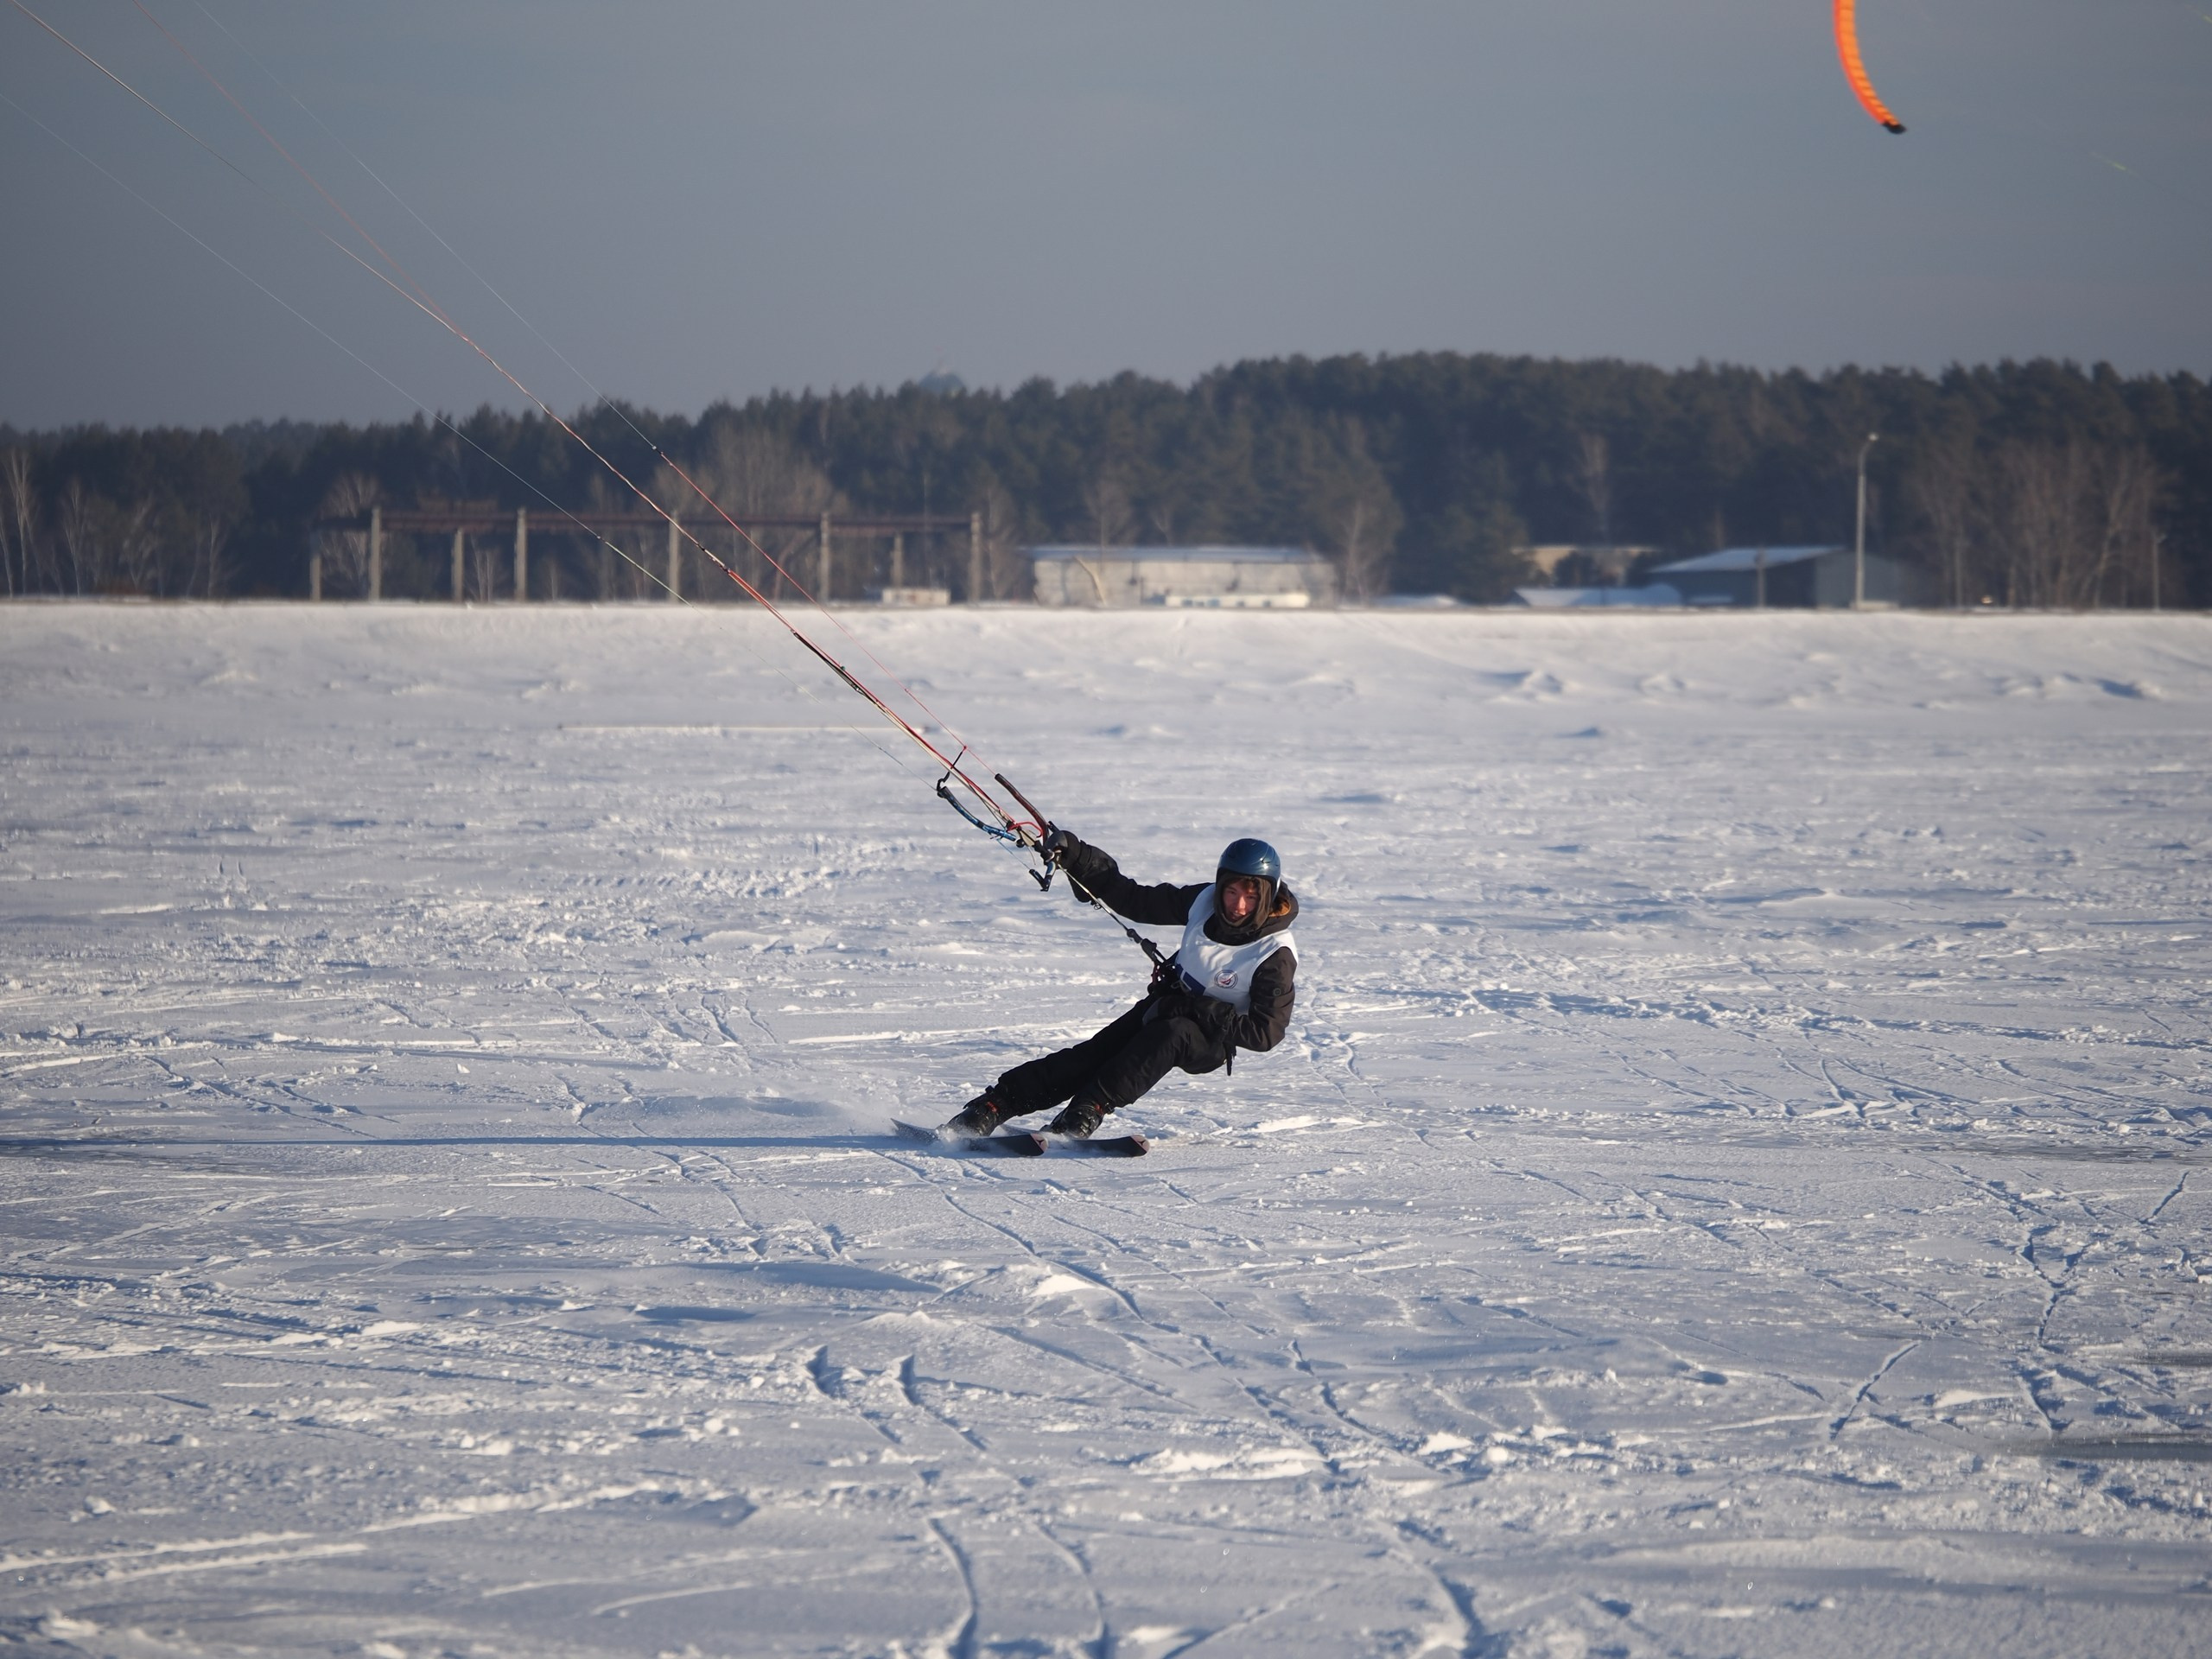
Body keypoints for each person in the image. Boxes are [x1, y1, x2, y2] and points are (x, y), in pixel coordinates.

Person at [945, 835, 1300, 1140]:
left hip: (1210, 1041)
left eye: (1251, 897)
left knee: (1172, 1034)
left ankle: (1087, 1110)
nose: (1238, 905)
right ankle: (994, 1104)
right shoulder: (1204, 901)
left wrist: (1192, 1008)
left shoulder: (1274, 953)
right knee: (1093, 1054)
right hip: (1167, 1006)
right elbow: (1136, 899)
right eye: (1232, 891)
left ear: (1268, 896)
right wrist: (1079, 857)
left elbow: (1265, 1033)